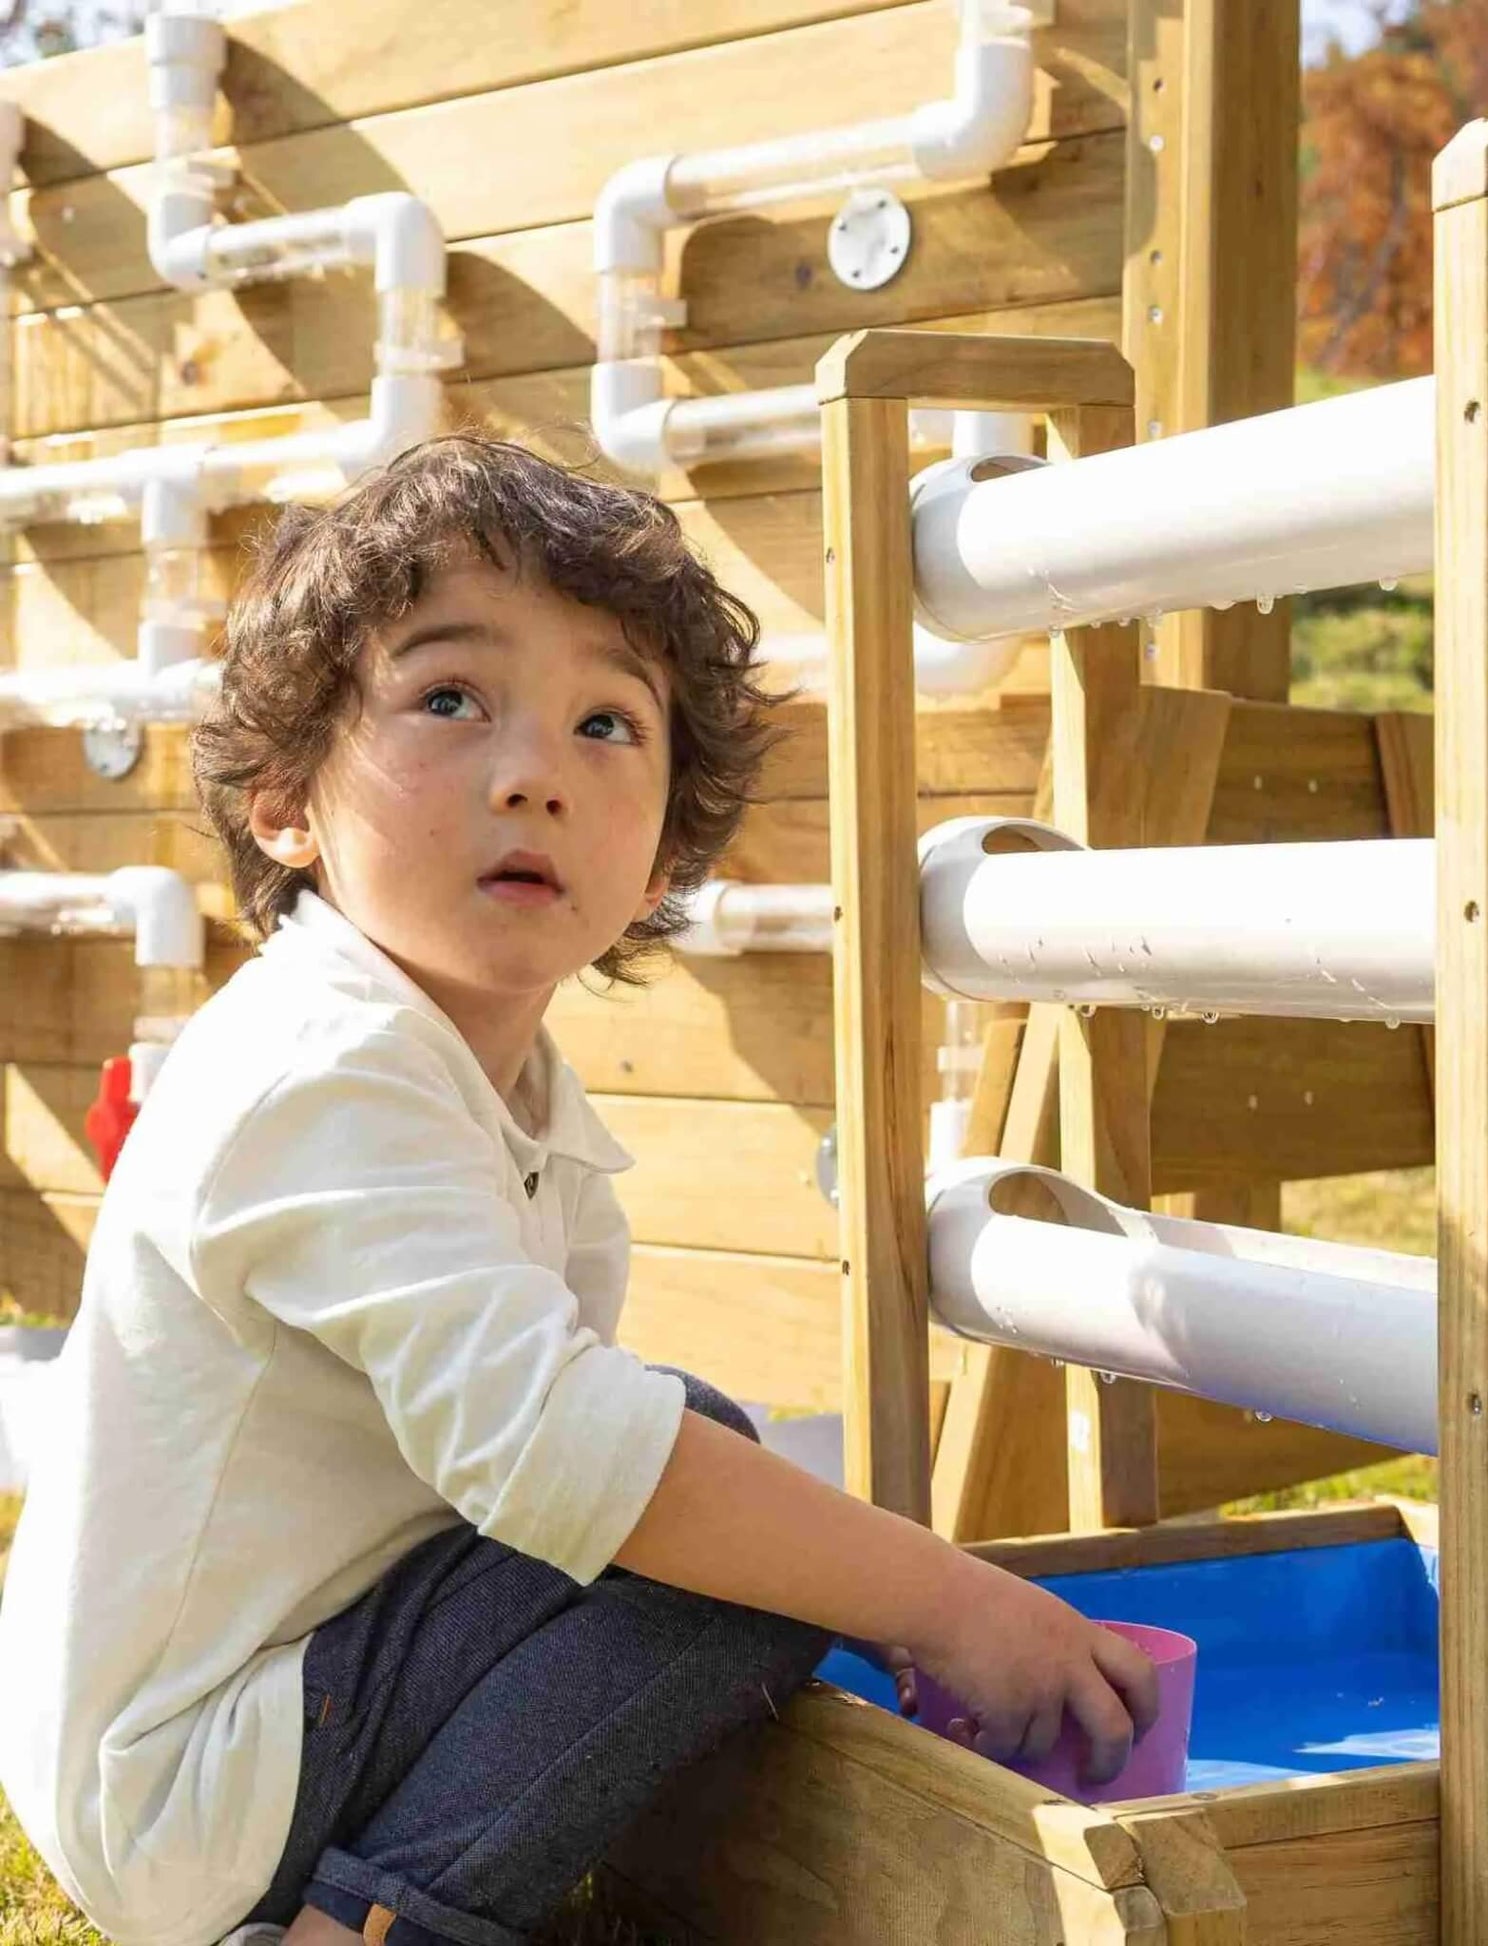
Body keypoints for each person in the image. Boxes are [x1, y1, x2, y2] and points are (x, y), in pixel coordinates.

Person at [0, 436, 1159, 1946]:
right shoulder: (326, 1064)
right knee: (714, 1530)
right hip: (191, 1775)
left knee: (705, 1475)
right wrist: (949, 1599)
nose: (533, 773)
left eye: (605, 720)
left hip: (275, 1702)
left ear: (669, 843)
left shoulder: (484, 1085)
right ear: (285, 800)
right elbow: (574, 1469)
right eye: (448, 700)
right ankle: (373, 1924)